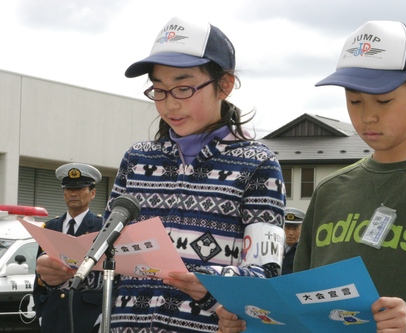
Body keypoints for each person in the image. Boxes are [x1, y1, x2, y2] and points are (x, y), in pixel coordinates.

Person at [217, 20, 406, 333]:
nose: (367, 115)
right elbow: (297, 305)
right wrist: (252, 319)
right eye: (354, 100)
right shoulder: (330, 189)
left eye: (384, 101)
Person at [37, 16, 286, 333]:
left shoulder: (258, 164)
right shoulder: (137, 159)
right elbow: (111, 259)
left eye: (183, 88)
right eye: (158, 89)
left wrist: (213, 284)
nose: (169, 104)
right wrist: (70, 271)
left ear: (224, 84)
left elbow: (268, 272)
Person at [33, 162, 104, 333]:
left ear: (92, 193)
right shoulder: (49, 227)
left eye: (80, 189)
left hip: (88, 315)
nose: (73, 193)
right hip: (53, 313)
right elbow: (39, 276)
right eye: (68, 189)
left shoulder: (102, 228)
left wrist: (102, 315)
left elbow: (114, 276)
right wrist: (41, 312)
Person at [281, 207, 305, 275]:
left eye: (295, 229)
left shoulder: (303, 251)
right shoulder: (274, 247)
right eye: (287, 228)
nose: (290, 233)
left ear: (301, 230)